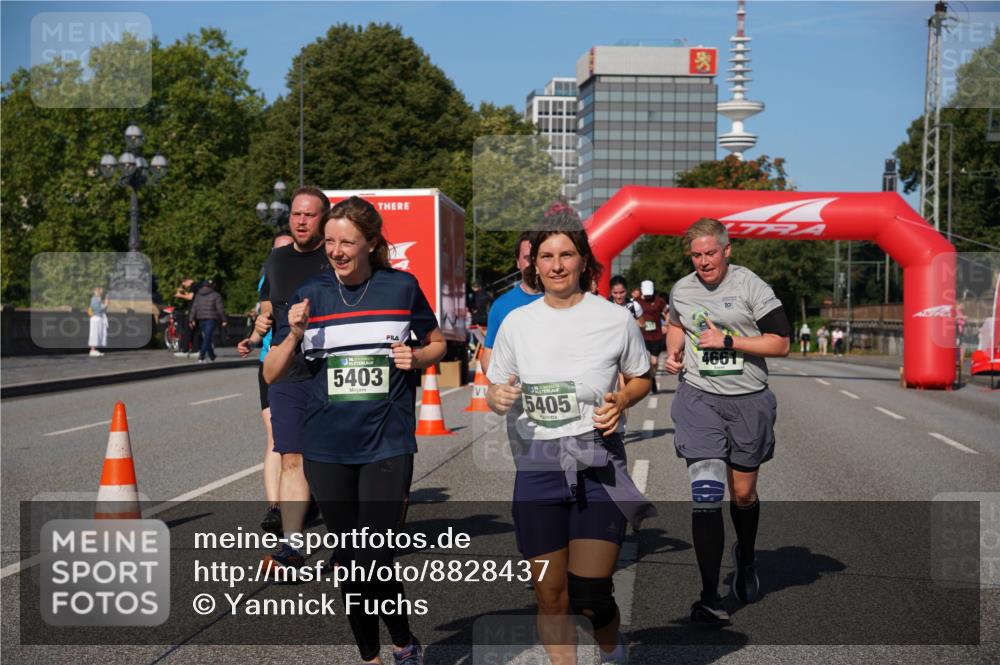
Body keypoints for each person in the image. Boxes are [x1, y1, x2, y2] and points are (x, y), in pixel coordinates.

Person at [265, 195, 445, 665]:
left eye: (347, 242)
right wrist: (294, 333)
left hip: (387, 441)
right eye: (330, 242)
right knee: (351, 561)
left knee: (374, 556)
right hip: (326, 446)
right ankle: (371, 656)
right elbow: (271, 373)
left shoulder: (401, 288)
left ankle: (404, 641)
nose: (337, 251)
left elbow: (437, 342)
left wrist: (418, 357)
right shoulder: (313, 294)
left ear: (371, 243)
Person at [486, 211, 654, 665]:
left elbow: (641, 377)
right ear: (533, 265)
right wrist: (496, 395)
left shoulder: (615, 319)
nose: (557, 265)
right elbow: (495, 385)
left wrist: (621, 401)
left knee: (590, 591)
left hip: (596, 460)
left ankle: (611, 648)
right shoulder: (517, 323)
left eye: (566, 255)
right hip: (538, 465)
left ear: (583, 261)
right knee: (549, 593)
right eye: (547, 256)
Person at [663, 218, 791, 625]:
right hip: (699, 398)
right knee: (705, 493)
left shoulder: (750, 286)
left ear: (727, 250)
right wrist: (675, 351)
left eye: (710, 253)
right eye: (696, 255)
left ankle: (747, 557)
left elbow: (781, 342)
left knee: (743, 494)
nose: (703, 262)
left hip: (749, 400)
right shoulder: (682, 289)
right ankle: (708, 597)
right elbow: (675, 322)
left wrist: (729, 340)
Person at [252, 186, 332, 566]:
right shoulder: (277, 259)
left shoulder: (334, 256)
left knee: (333, 459)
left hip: (330, 371)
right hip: (287, 370)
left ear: (323, 219)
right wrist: (260, 327)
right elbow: (268, 307)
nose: (301, 220)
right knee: (290, 457)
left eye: (310, 214)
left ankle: (351, 538)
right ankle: (294, 544)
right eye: (297, 214)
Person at [238, 230, 295, 534]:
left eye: (288, 249)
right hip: (271, 363)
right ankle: (275, 508)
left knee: (306, 439)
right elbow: (265, 317)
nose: (283, 255)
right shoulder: (268, 279)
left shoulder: (313, 273)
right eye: (277, 251)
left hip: (306, 363)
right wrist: (252, 339)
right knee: (276, 437)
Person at [480, 230, 542, 374]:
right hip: (517, 393)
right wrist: (499, 387)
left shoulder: (562, 300)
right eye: (527, 258)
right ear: (517, 263)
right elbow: (488, 356)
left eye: (537, 257)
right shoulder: (501, 306)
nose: (532, 263)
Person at [637, 279, 669, 394]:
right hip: (643, 337)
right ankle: (651, 382)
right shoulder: (637, 302)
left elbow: (668, 312)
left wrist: (666, 324)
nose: (648, 296)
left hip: (656, 336)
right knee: (648, 361)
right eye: (646, 294)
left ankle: (652, 377)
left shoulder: (659, 301)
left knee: (654, 362)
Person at [189, 278, 226, 363]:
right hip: (211, 319)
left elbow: (194, 308)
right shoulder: (216, 295)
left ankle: (212, 356)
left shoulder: (198, 295)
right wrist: (224, 319)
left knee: (207, 337)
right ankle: (201, 356)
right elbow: (220, 309)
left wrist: (191, 319)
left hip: (201, 319)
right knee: (207, 337)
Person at [173, 278, 197, 357]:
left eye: (184, 284)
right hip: (196, 311)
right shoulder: (196, 286)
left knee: (188, 331)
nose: (185, 286)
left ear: (186, 281)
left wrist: (180, 295)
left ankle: (185, 350)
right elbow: (191, 296)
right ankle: (195, 349)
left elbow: (190, 297)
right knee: (195, 332)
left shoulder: (194, 286)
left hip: (193, 312)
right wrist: (184, 292)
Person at [87, 286, 109, 357]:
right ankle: (92, 350)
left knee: (97, 333)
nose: (102, 291)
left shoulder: (98, 299)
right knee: (95, 333)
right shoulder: (95, 299)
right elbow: (97, 310)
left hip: (98, 318)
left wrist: (105, 305)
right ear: (98, 291)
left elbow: (102, 310)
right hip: (96, 318)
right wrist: (105, 305)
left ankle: (94, 349)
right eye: (101, 290)